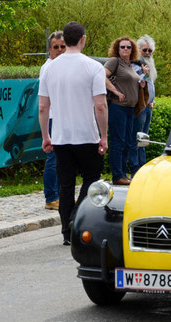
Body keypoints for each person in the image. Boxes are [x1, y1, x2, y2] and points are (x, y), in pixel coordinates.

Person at [38, 21, 108, 245]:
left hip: (60, 136)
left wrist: (45, 136)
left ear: (64, 40)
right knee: (91, 178)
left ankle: (66, 232)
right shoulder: (93, 67)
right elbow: (100, 105)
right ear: (83, 39)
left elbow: (42, 107)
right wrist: (104, 136)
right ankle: (76, 217)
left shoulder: (49, 68)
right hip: (86, 135)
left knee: (65, 184)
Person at [104, 36, 146, 185]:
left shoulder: (129, 65)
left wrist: (139, 85)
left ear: (132, 49)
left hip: (130, 109)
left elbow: (130, 82)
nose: (126, 49)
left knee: (128, 143)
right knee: (118, 142)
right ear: (117, 48)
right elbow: (102, 76)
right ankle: (117, 176)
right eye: (122, 47)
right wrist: (115, 91)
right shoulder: (115, 61)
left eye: (128, 47)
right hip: (118, 108)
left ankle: (123, 174)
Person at [40, 31, 66, 211]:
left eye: (63, 46)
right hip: (52, 117)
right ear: (50, 49)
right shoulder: (49, 67)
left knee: (61, 158)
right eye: (55, 47)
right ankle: (51, 196)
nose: (59, 50)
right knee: (53, 157)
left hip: (62, 116)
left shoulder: (63, 66)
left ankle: (58, 193)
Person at [129, 35, 156, 174]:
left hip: (148, 107)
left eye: (150, 50)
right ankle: (135, 169)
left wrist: (152, 101)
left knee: (144, 140)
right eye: (145, 50)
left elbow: (150, 85)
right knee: (136, 139)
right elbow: (136, 83)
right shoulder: (134, 65)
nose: (147, 53)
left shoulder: (149, 65)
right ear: (139, 50)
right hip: (139, 107)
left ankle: (142, 169)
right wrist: (144, 75)